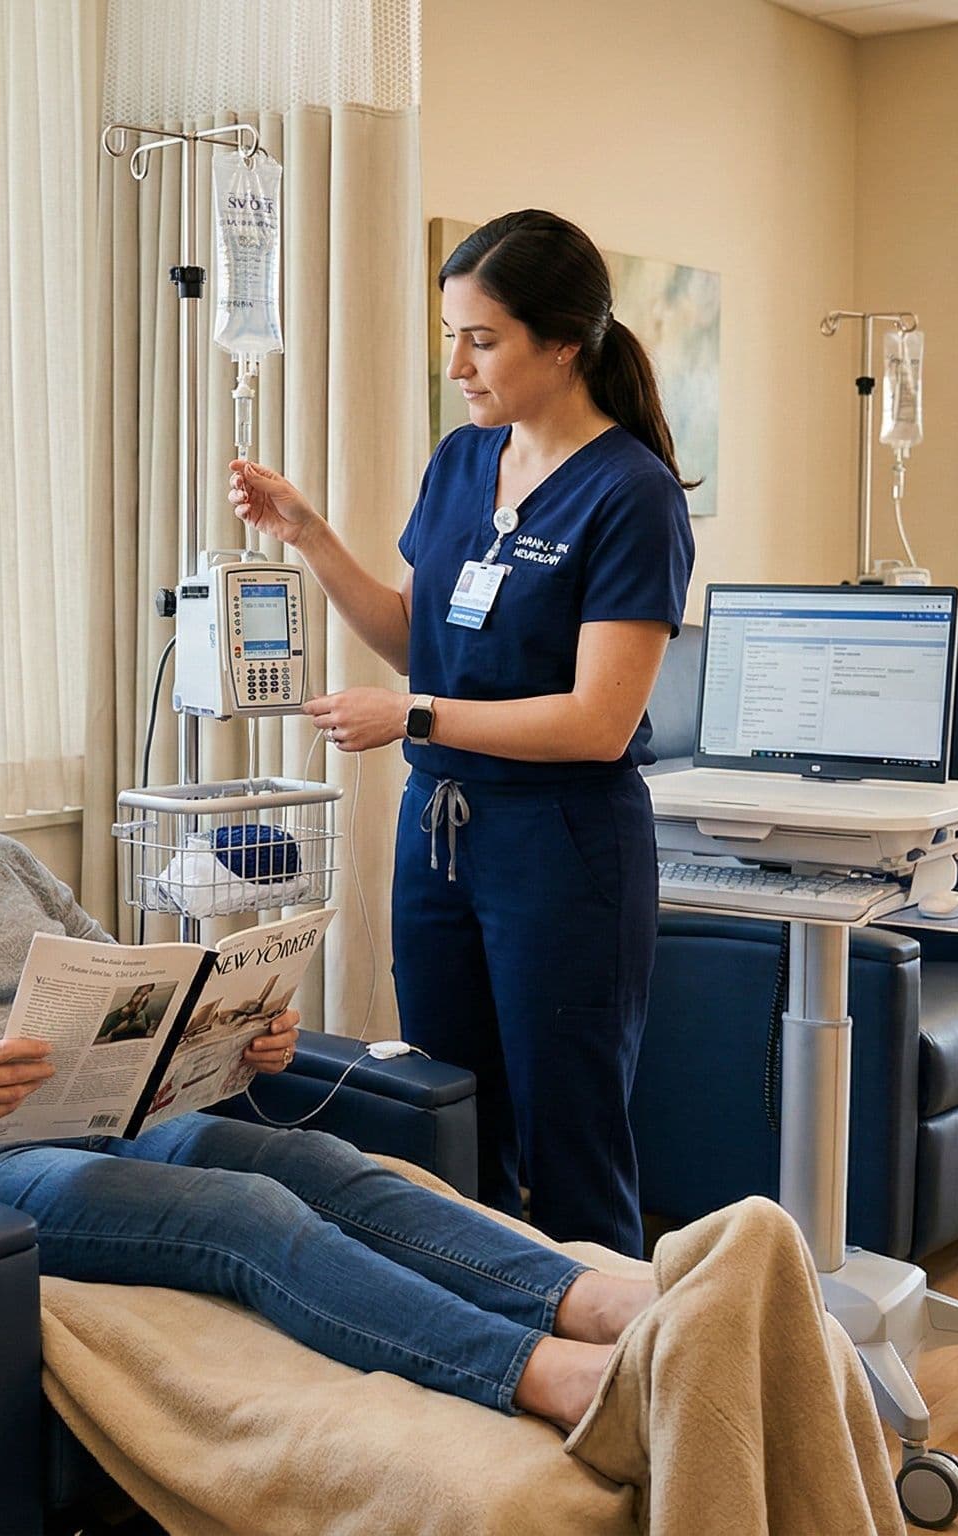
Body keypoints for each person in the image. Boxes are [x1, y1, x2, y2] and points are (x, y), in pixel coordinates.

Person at [0, 609, 657, 1425]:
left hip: (102, 1124)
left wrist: (232, 1039)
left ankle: (597, 1303)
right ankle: (545, 1377)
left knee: (320, 1163)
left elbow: (133, 989)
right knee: (242, 1212)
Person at [229, 209, 696, 1254]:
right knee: (446, 1116)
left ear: (563, 342)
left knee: (568, 1137)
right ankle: (489, 1360)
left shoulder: (632, 495)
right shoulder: (460, 463)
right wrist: (306, 534)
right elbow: (411, 637)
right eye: (451, 334)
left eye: (480, 339)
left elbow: (596, 720)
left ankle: (614, 1379)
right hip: (440, 835)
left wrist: (415, 717)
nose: (456, 364)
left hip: (562, 843)